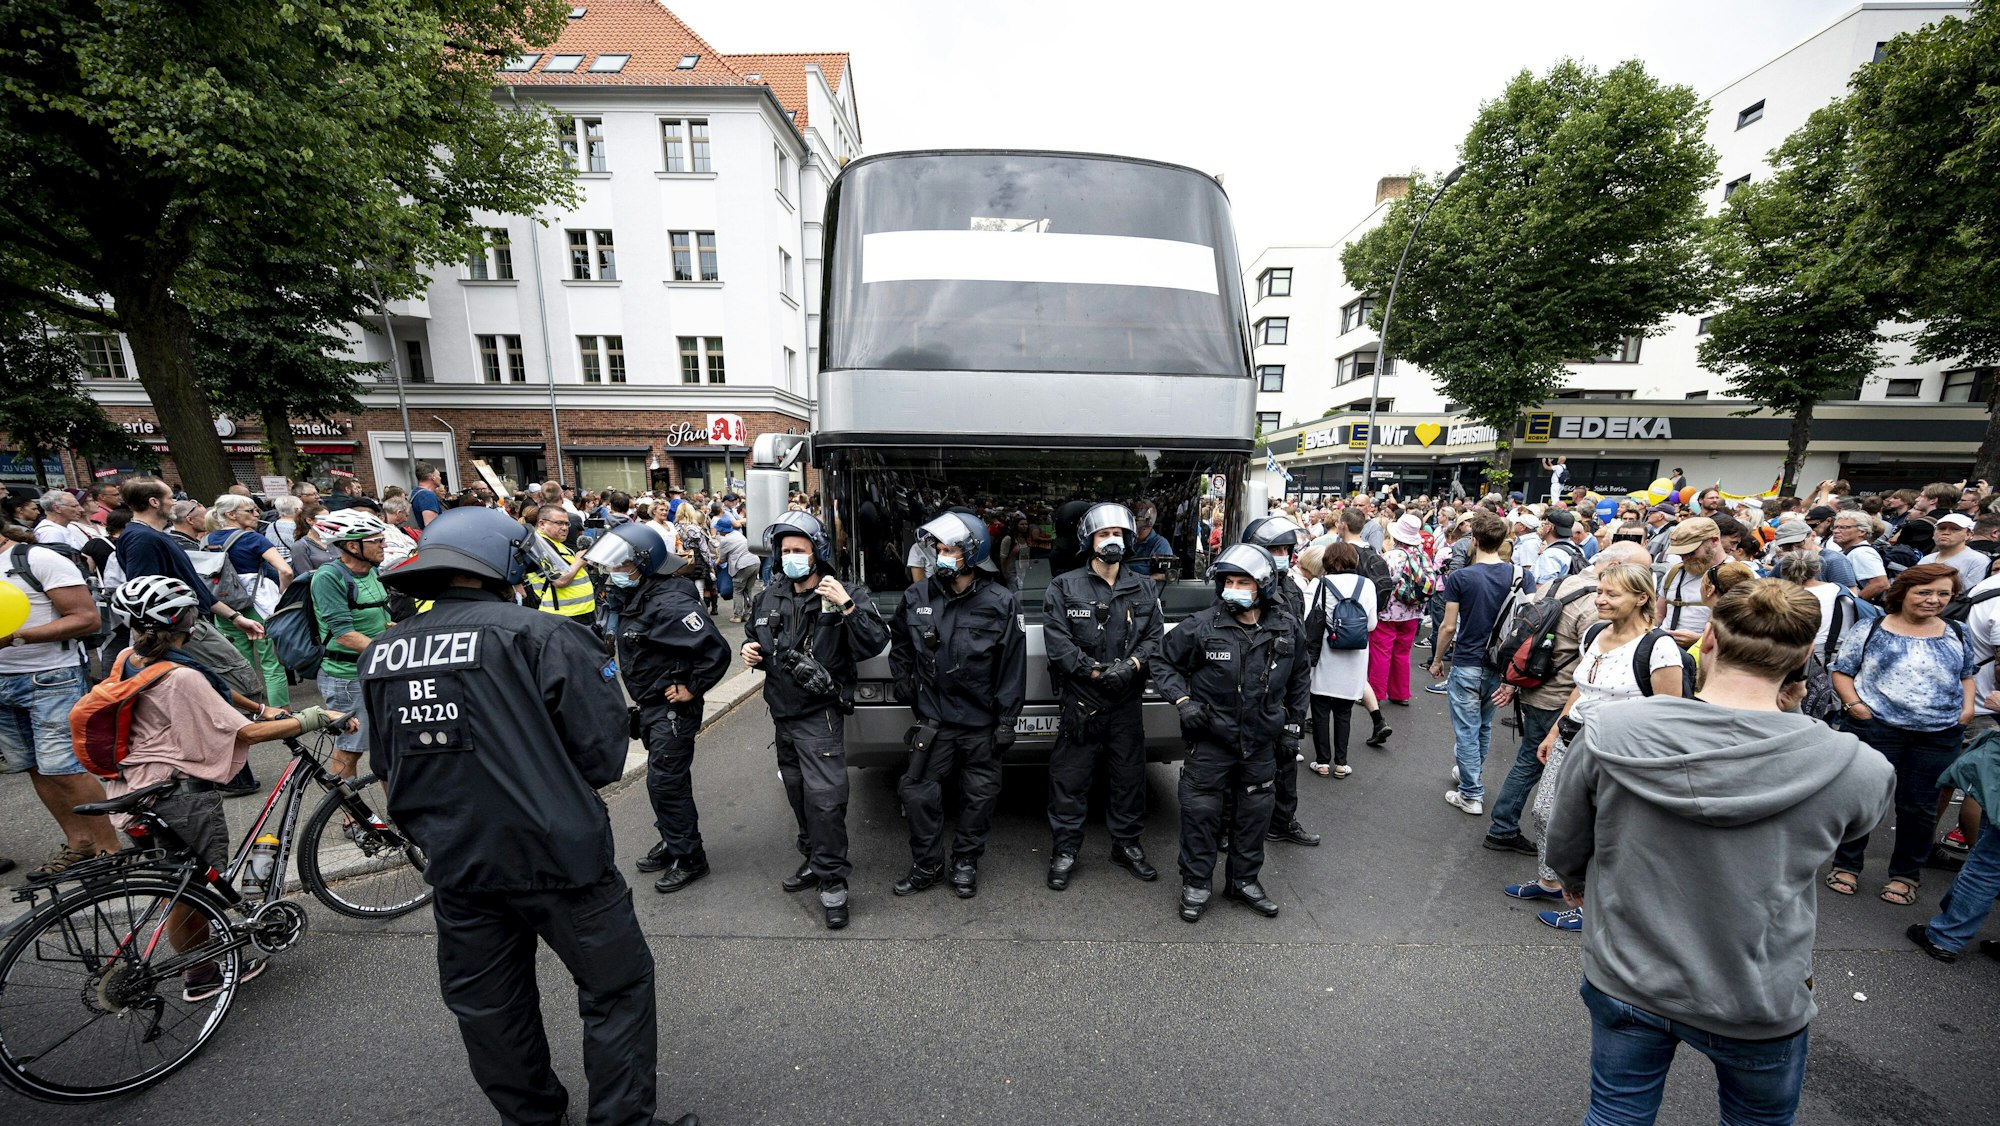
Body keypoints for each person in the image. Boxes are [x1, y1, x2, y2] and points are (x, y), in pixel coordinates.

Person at [361, 508, 697, 1126]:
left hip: (458, 862)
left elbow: (387, 762)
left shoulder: (383, 652)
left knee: (491, 1008)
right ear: (508, 563)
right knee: (616, 992)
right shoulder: (546, 635)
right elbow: (600, 755)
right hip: (559, 856)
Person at [1544, 580, 1893, 1126]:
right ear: (1803, 656)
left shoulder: (1610, 731)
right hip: (1757, 993)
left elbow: (1566, 839)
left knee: (1616, 1113)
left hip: (1629, 971)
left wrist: (1574, 880)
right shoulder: (1856, 767)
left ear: (1706, 639)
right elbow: (1853, 830)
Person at [106, 576, 346, 1002]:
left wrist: (258, 705)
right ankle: (201, 975)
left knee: (175, 879)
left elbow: (213, 691)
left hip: (132, 787)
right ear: (186, 622)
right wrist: (316, 717)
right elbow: (248, 735)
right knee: (190, 889)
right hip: (178, 794)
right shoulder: (182, 677)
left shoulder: (130, 657)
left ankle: (201, 949)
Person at [1509, 562, 1687, 929]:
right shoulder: (1594, 633)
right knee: (1546, 813)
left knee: (1602, 830)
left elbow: (1669, 712)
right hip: (1575, 738)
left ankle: (1591, 905)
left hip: (1620, 751)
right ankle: (1552, 881)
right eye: (1600, 592)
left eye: (1611, 594)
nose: (1601, 600)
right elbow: (1581, 688)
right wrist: (1555, 732)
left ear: (1641, 599)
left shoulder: (1659, 646)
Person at [739, 512, 889, 928]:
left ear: (817, 553)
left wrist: (847, 605)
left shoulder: (841, 592)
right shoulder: (771, 594)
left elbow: (874, 643)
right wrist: (751, 652)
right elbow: (757, 636)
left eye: (798, 551)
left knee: (825, 801)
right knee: (799, 794)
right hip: (782, 715)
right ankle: (814, 857)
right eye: (785, 551)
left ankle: (833, 882)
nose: (791, 558)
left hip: (819, 716)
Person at [1151, 544, 1310, 922]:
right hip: (1211, 739)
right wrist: (1183, 700)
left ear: (1264, 586)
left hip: (1260, 742)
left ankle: (1243, 882)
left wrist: (1292, 727)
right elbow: (1162, 660)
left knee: (1255, 813)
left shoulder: (1286, 627)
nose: (1233, 588)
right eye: (1228, 581)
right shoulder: (1202, 625)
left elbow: (1300, 677)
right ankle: (1196, 883)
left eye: (1244, 582)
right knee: (1201, 812)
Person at [888, 510, 1027, 900]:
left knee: (979, 796)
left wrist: (1007, 720)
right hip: (934, 719)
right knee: (916, 792)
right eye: (937, 547)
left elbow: (1012, 665)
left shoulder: (1000, 601)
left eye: (949, 547)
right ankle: (928, 864)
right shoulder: (917, 596)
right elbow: (900, 642)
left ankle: (965, 860)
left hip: (981, 721)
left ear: (973, 550)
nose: (940, 554)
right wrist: (903, 679)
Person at [591, 523, 731, 894]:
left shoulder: (670, 604)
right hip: (651, 707)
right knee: (663, 782)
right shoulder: (639, 593)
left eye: (621, 567)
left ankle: (690, 857)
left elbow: (716, 651)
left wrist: (691, 688)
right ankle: (673, 840)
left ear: (645, 563)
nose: (614, 574)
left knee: (666, 783)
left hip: (672, 711)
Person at [1826, 564, 1978, 906]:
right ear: (1903, 593)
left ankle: (1906, 875)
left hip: (1939, 734)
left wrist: (1966, 709)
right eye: (1924, 592)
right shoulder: (1872, 627)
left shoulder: (1956, 630)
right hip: (1876, 728)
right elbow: (1843, 672)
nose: (1934, 600)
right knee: (1865, 798)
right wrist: (1855, 706)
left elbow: (1967, 675)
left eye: (1943, 593)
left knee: (1920, 807)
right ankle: (1847, 864)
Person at [1485, 542, 1648, 856]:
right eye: (1637, 568)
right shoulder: (1593, 605)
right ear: (1614, 564)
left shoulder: (1556, 583)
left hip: (1533, 685)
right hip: (1562, 697)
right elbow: (1601, 656)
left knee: (1530, 760)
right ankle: (1508, 828)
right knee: (1544, 765)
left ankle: (1505, 825)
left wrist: (1511, 681)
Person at [1039, 503, 1165, 891]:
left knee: (1128, 778)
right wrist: (1095, 672)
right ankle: (1065, 850)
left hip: (1126, 702)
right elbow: (1058, 644)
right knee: (1070, 780)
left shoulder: (1143, 587)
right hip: (1082, 702)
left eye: (1118, 535)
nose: (1112, 541)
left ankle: (1126, 845)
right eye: (1103, 535)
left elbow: (1154, 637)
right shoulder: (1064, 586)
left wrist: (1129, 666)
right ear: (1089, 541)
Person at [1, 537, 117, 880]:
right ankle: (79, 842)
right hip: (2, 681)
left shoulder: (34, 558)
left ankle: (109, 851)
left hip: (51, 678)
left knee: (63, 767)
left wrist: (16, 637)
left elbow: (86, 619)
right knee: (34, 766)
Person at [1429, 511, 1531, 815]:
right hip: (1502, 662)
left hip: (1468, 660)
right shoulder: (1520, 575)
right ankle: (1469, 773)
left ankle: (1471, 792)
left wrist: (1436, 659)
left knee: (1466, 728)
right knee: (1483, 725)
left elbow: (1448, 626)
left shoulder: (1462, 577)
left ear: (1474, 540)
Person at [310, 509, 394, 782]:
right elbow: (344, 634)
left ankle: (395, 815)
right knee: (350, 749)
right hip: (347, 677)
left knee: (388, 747)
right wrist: (393, 653)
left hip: (376, 668)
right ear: (351, 546)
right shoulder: (329, 577)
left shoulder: (372, 571)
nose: (384, 545)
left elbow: (379, 615)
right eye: (377, 540)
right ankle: (351, 821)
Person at [1304, 542, 1377, 778]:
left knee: (1320, 710)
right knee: (1344, 711)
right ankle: (1342, 763)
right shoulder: (1366, 585)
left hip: (1326, 653)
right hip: (1354, 656)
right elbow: (1371, 624)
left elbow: (1310, 619)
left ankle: (1322, 761)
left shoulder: (1319, 583)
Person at [1655, 516, 1720, 649]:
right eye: (1680, 554)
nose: (1684, 558)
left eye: (1691, 552)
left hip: (1707, 655)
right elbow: (1659, 613)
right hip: (1665, 651)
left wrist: (1700, 639)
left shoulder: (1739, 576)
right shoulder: (1674, 573)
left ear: (1714, 541)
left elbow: (1745, 634)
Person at [523, 504, 595, 621]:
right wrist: (579, 561)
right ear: (542, 524)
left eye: (567, 523)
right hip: (563, 616)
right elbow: (559, 580)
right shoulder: (539, 545)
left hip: (577, 613)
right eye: (559, 523)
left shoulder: (555, 544)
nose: (565, 528)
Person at [1923, 513, 1991, 594]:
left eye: (1955, 529)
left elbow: (1969, 593)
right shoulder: (1926, 560)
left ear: (1968, 534)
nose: (1946, 532)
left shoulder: (1979, 561)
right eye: (1941, 528)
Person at [1830, 510, 1889, 602]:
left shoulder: (1862, 552)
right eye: (1835, 527)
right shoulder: (1852, 551)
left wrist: (1854, 604)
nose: (1836, 531)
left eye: (1843, 527)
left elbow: (1880, 583)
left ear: (1862, 532)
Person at [717, 518, 757, 624]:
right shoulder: (737, 534)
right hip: (755, 561)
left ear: (722, 530)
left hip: (743, 565)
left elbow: (722, 559)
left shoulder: (724, 540)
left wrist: (715, 563)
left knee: (738, 590)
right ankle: (748, 615)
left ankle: (737, 616)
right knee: (748, 590)